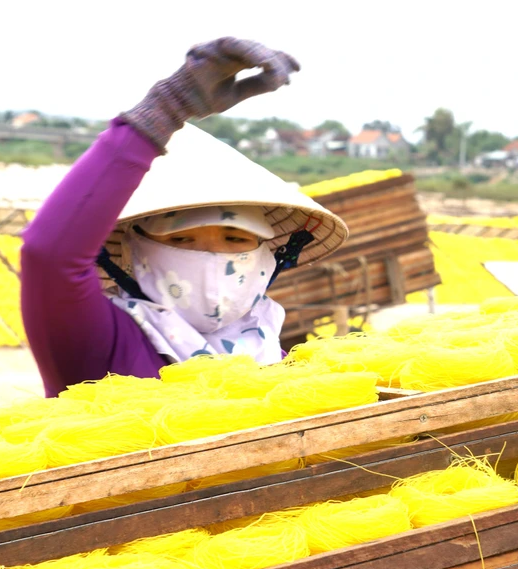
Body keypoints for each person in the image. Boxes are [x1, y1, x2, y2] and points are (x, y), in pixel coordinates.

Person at [21, 37, 348, 398]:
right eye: (180, 239)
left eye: (235, 239)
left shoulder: (276, 360)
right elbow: (49, 256)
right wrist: (167, 106)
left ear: (267, 258)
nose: (211, 260)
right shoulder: (98, 344)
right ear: (135, 253)